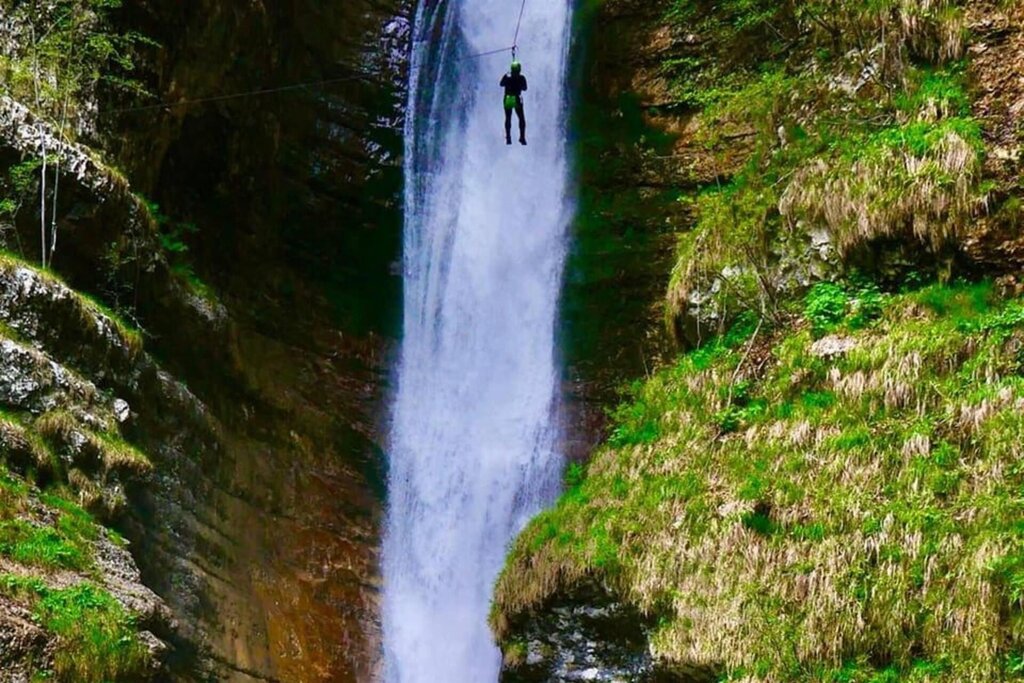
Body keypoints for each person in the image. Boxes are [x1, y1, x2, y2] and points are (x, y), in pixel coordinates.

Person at [500, 60, 527, 145]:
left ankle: (508, 137)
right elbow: (525, 88)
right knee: (521, 119)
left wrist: (506, 77)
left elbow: (501, 84)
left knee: (508, 118)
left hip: (508, 98)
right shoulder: (521, 77)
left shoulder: (507, 76)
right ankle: (522, 137)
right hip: (516, 98)